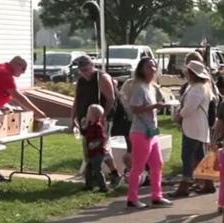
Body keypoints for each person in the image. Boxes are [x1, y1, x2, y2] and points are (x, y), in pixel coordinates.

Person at [0, 56, 46, 183]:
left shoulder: (2, 69)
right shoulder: (4, 74)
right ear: (17, 64)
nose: (23, 72)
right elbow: (18, 96)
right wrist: (38, 112)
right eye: (23, 69)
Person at [127, 57, 172, 209]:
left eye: (154, 66)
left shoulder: (151, 87)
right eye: (148, 66)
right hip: (140, 132)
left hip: (152, 132)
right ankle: (132, 198)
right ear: (141, 69)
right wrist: (153, 107)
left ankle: (157, 196)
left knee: (157, 164)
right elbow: (134, 109)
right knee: (138, 167)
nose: (152, 69)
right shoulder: (139, 87)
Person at [71, 55, 122, 187]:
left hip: (100, 119)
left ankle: (114, 173)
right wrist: (73, 117)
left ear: (92, 66)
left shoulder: (102, 78)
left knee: (101, 148)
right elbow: (77, 100)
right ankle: (92, 176)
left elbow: (111, 99)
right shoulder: (81, 81)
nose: (84, 73)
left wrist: (103, 116)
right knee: (89, 147)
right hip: (85, 119)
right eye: (81, 70)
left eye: (86, 69)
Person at [170, 60, 213, 198]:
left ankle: (185, 185)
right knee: (199, 156)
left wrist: (179, 115)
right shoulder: (196, 86)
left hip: (194, 126)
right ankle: (208, 183)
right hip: (196, 126)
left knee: (187, 156)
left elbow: (189, 107)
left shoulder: (198, 88)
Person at [82, 104, 109, 192]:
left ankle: (103, 186)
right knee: (88, 169)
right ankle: (89, 185)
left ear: (93, 115)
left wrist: (95, 143)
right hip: (91, 152)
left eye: (88, 113)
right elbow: (84, 132)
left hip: (98, 152)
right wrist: (84, 125)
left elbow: (102, 138)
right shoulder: (90, 125)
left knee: (97, 170)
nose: (87, 115)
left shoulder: (98, 126)